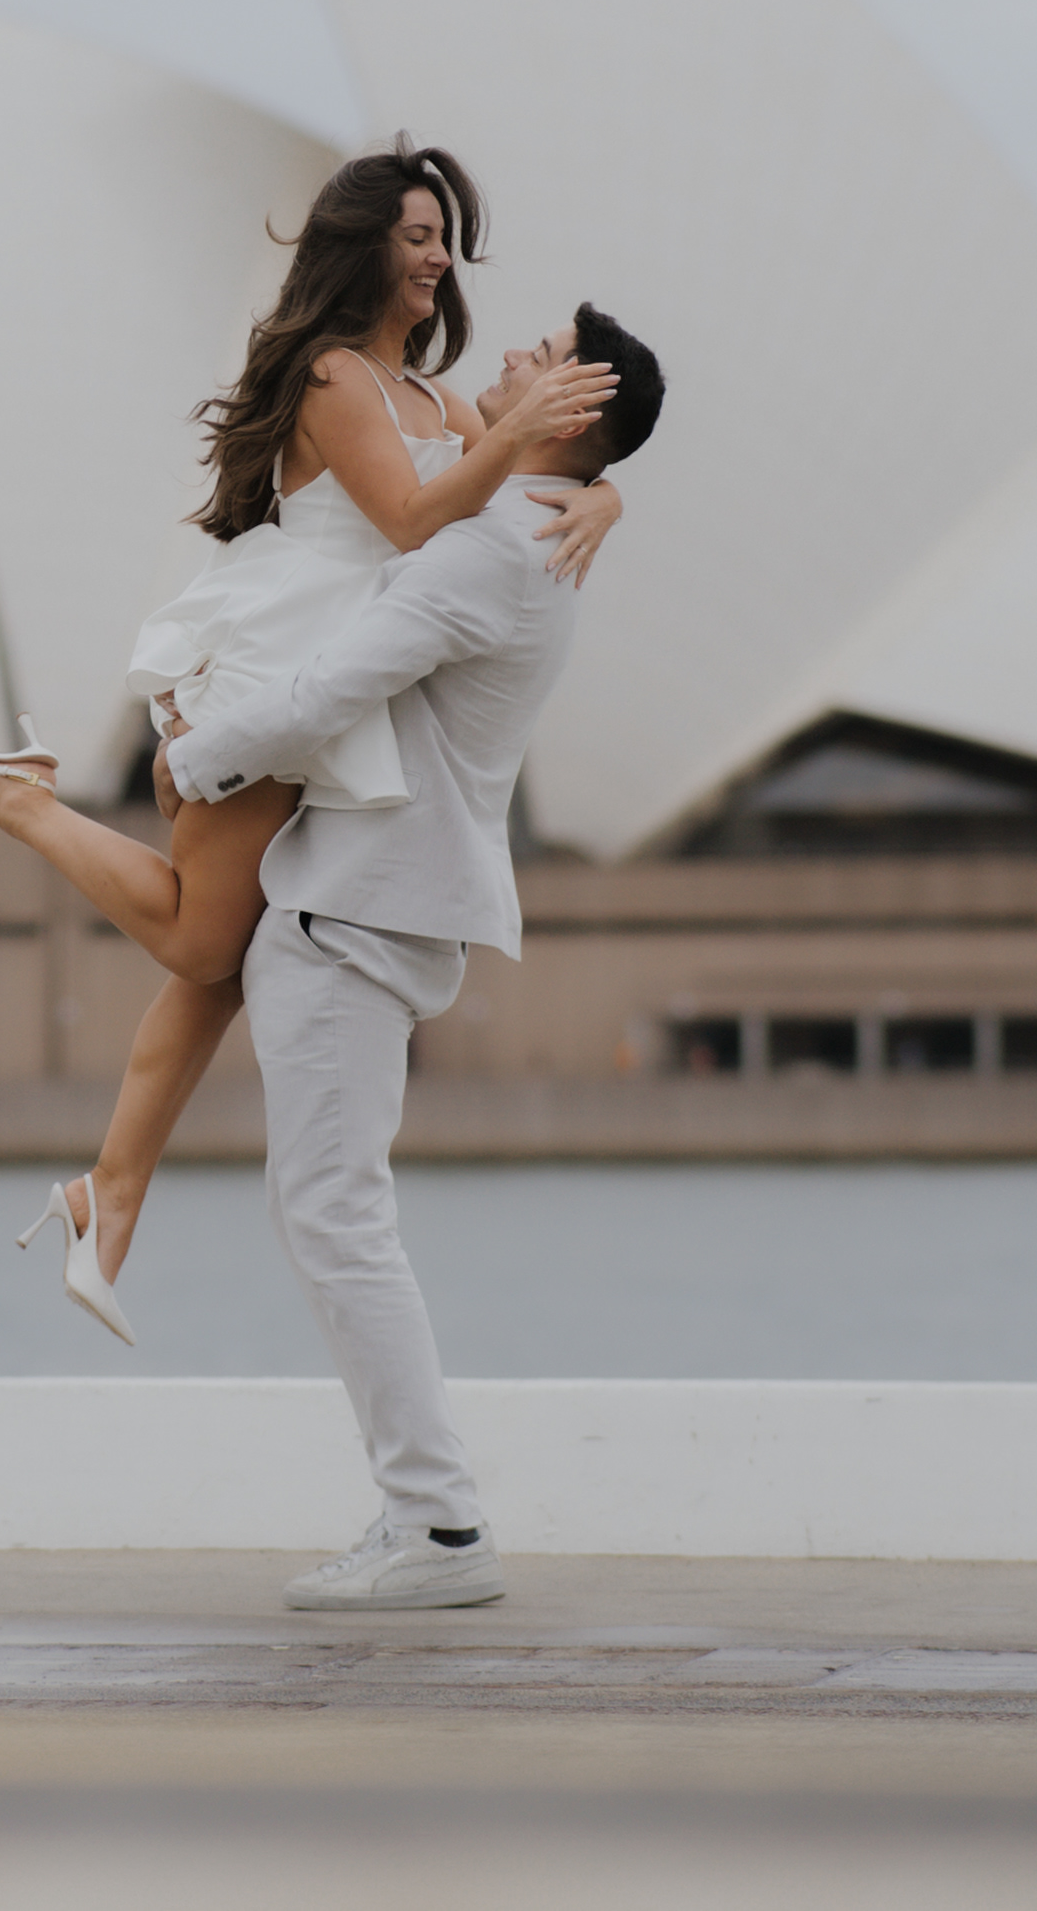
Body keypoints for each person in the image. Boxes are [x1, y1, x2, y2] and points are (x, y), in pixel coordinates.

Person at [0, 143, 622, 1342]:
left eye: (445, 239)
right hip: (274, 668)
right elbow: (410, 517)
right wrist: (519, 442)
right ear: (364, 249)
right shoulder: (336, 374)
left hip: (334, 686)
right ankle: (13, 795)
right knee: (203, 940)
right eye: (416, 236)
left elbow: (509, 487)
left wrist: (603, 489)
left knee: (224, 956)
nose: (438, 258)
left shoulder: (439, 402)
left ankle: (108, 1194)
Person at [162, 297, 666, 1608]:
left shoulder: (491, 549)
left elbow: (338, 682)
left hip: (355, 914)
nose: (512, 353)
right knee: (329, 1207)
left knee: (334, 1212)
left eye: (543, 358)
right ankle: (430, 1518)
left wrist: (199, 756)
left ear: (574, 410)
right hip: (379, 907)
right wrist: (610, 492)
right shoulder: (531, 523)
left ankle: (438, 1528)